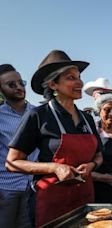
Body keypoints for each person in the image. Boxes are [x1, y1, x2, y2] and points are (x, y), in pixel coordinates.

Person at [5, 50, 103, 227]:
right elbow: (12, 162)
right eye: (70, 77)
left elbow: (99, 155)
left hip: (84, 198)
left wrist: (91, 165)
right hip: (51, 202)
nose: (79, 82)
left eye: (79, 76)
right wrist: (55, 167)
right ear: (53, 84)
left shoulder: (87, 119)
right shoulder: (38, 115)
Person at [0, 64, 37, 228]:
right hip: (5, 189)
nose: (19, 87)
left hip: (34, 188)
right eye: (11, 84)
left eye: (21, 82)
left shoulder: (38, 113)